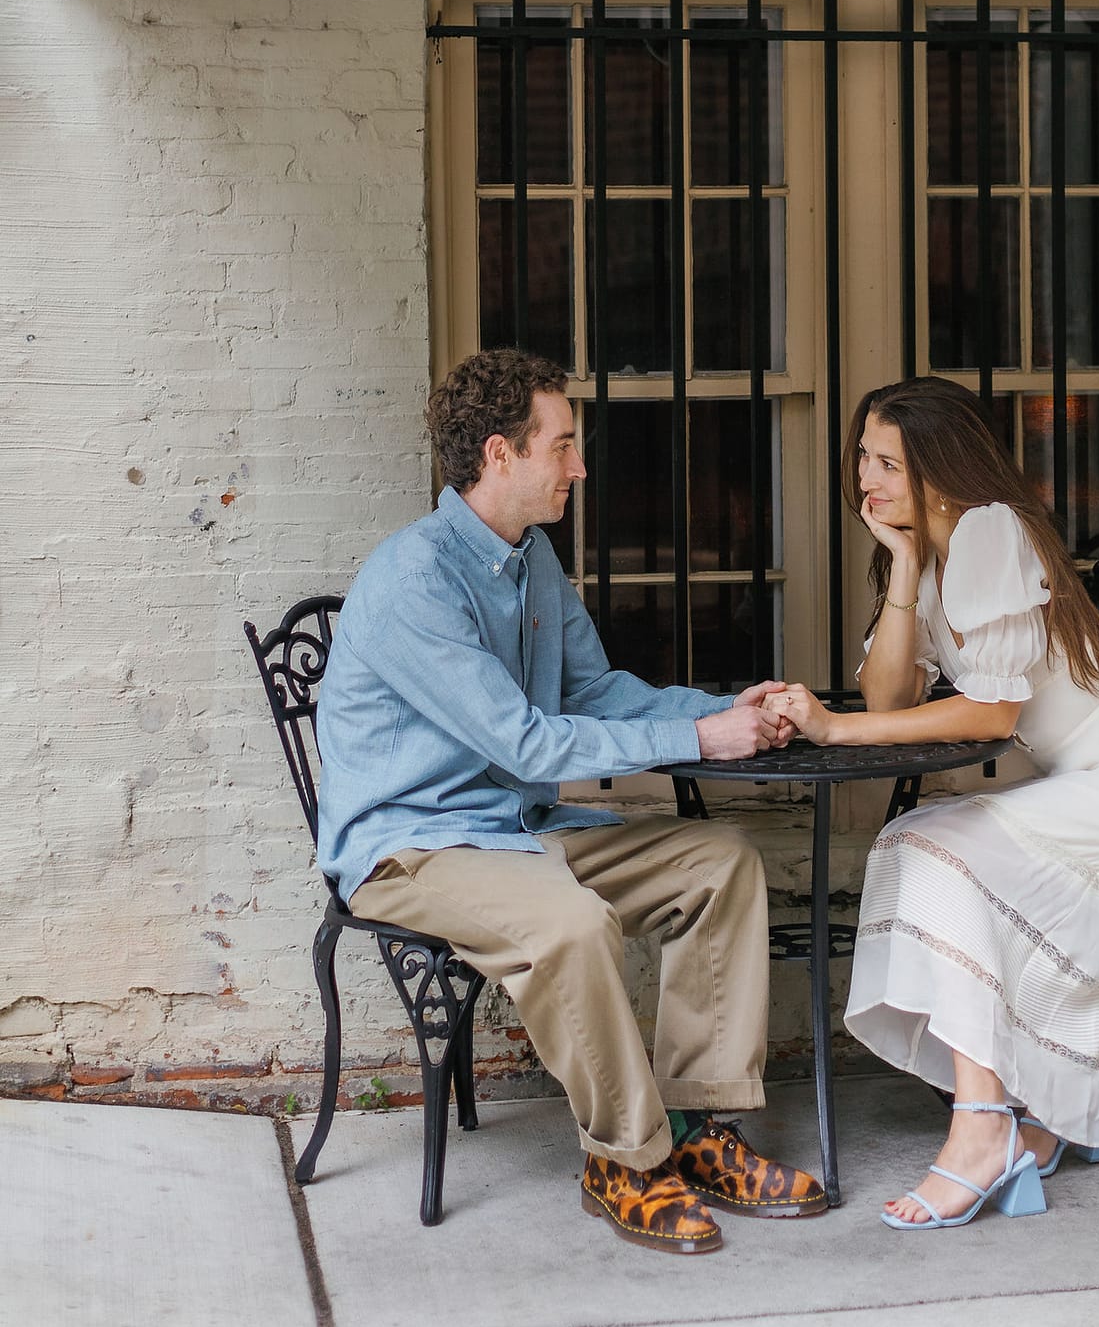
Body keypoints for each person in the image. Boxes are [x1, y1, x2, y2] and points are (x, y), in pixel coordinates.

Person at [316, 347, 826, 1254]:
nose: (581, 467)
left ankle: (703, 1129)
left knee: (722, 864)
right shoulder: (414, 581)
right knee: (575, 925)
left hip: (518, 829)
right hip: (415, 850)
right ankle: (626, 1160)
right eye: (564, 446)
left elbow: (595, 696)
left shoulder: (532, 559)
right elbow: (523, 740)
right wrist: (701, 744)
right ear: (498, 455)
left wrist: (725, 708)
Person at [766, 376, 1099, 1232]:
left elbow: (990, 712)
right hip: (1085, 785)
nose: (868, 478)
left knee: (934, 849)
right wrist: (903, 570)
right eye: (863, 458)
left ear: (940, 467)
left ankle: (984, 1128)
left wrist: (828, 733)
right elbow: (889, 698)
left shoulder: (989, 530)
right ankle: (1033, 1114)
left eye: (890, 463)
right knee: (915, 841)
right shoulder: (935, 552)